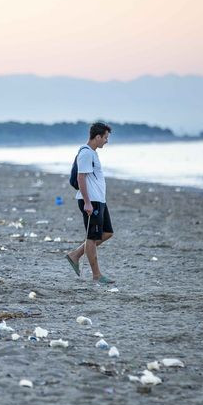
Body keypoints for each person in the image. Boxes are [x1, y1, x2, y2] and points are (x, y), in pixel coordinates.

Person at [65, 122, 115, 284]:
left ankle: (75, 254)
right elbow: (81, 177)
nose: (106, 141)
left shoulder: (92, 153)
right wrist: (87, 202)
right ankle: (97, 275)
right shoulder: (86, 153)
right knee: (92, 237)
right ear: (97, 136)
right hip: (91, 201)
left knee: (107, 232)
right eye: (105, 137)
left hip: (99, 200)